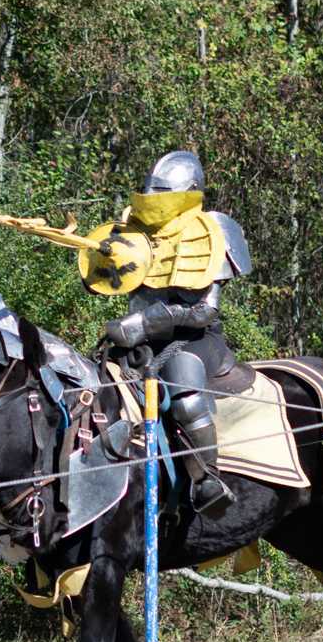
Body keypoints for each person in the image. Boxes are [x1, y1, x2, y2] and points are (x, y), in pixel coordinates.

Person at [93, 149, 252, 513]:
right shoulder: (135, 232)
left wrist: (142, 324)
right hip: (139, 340)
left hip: (195, 340)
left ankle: (207, 481)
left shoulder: (213, 232)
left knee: (185, 392)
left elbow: (203, 311)